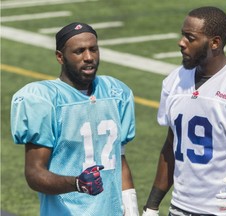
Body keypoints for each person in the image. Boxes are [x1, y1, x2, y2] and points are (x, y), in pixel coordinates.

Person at [142, 6, 226, 216]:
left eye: (190, 37)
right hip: (179, 209)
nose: (181, 43)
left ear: (215, 43)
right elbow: (171, 146)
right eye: (182, 35)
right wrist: (152, 205)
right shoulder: (174, 81)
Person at [11, 22, 139, 216]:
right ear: (60, 57)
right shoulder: (45, 99)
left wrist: (131, 210)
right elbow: (34, 174)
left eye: (93, 49)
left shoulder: (115, 93)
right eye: (79, 51)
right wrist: (77, 183)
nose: (89, 57)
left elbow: (119, 160)